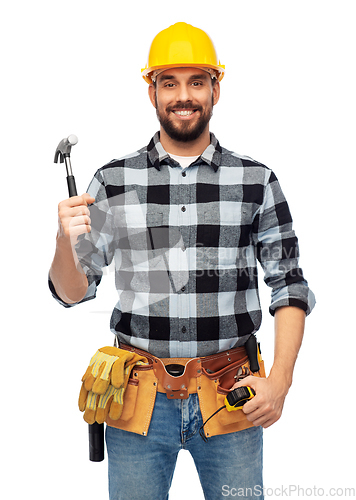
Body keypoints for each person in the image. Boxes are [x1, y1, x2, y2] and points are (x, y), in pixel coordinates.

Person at [49, 22, 315, 500]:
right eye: (169, 83)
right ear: (151, 91)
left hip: (233, 398)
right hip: (138, 403)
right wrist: (63, 239)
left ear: (216, 88)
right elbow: (72, 292)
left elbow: (289, 284)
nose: (183, 96)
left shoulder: (256, 181)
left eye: (196, 81)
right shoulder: (112, 181)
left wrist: (280, 382)